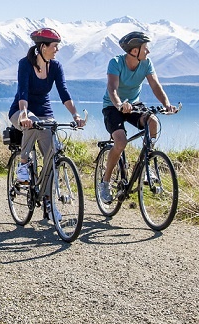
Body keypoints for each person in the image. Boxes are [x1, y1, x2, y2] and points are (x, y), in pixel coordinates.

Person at [9, 27, 87, 221]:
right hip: (21, 112)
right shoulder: (25, 64)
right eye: (54, 46)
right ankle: (23, 163)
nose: (57, 50)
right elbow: (23, 93)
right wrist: (25, 115)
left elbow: (64, 93)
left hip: (46, 114)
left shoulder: (56, 66)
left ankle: (48, 204)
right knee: (32, 121)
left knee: (53, 155)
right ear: (43, 47)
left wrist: (75, 114)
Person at [98, 31, 177, 204]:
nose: (147, 52)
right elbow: (112, 88)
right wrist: (119, 104)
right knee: (120, 142)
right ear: (134, 51)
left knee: (153, 122)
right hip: (113, 106)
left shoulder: (146, 63)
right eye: (145, 48)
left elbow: (156, 86)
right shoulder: (116, 62)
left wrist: (166, 104)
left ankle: (147, 164)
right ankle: (105, 182)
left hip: (133, 105)